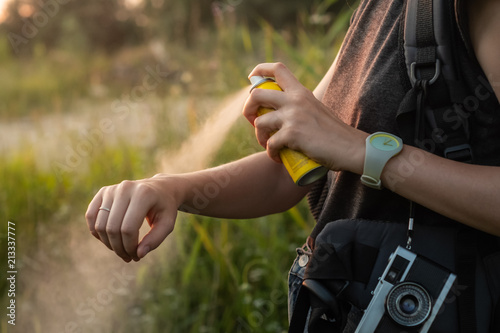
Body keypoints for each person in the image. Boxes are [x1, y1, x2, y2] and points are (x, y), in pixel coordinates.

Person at [85, 0, 500, 331]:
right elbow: (290, 172)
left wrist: (366, 153)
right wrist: (171, 188)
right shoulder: (380, 9)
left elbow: (344, 147)